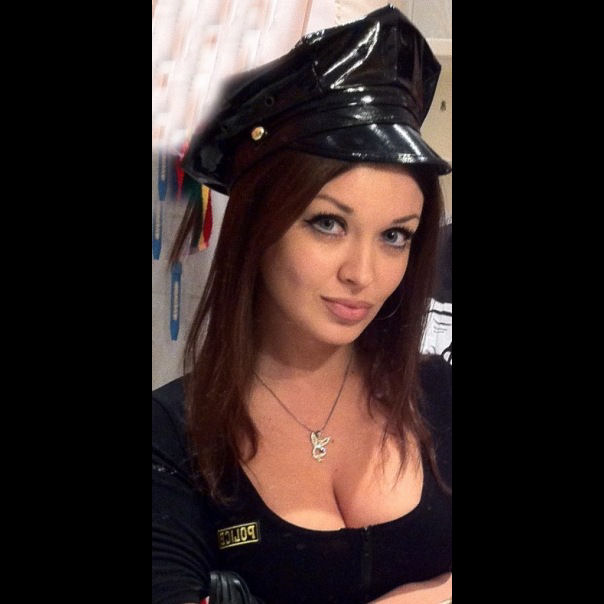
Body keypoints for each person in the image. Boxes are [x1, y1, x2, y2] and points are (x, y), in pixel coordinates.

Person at [153, 6, 452, 603]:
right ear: (258, 224)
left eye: (395, 235)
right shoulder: (172, 436)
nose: (362, 274)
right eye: (327, 223)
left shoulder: (437, 392)